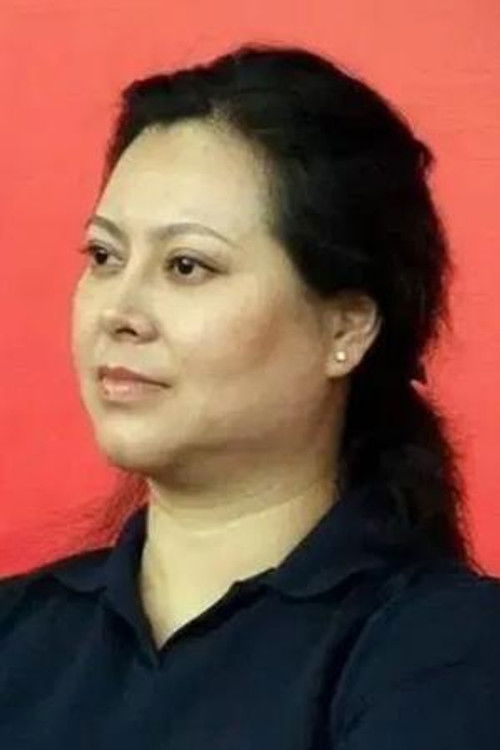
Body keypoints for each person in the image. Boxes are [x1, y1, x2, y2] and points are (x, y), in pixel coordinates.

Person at [1, 42, 499, 749]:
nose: (118, 311)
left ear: (345, 328)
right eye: (105, 257)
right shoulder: (18, 634)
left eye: (187, 266)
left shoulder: (443, 653)